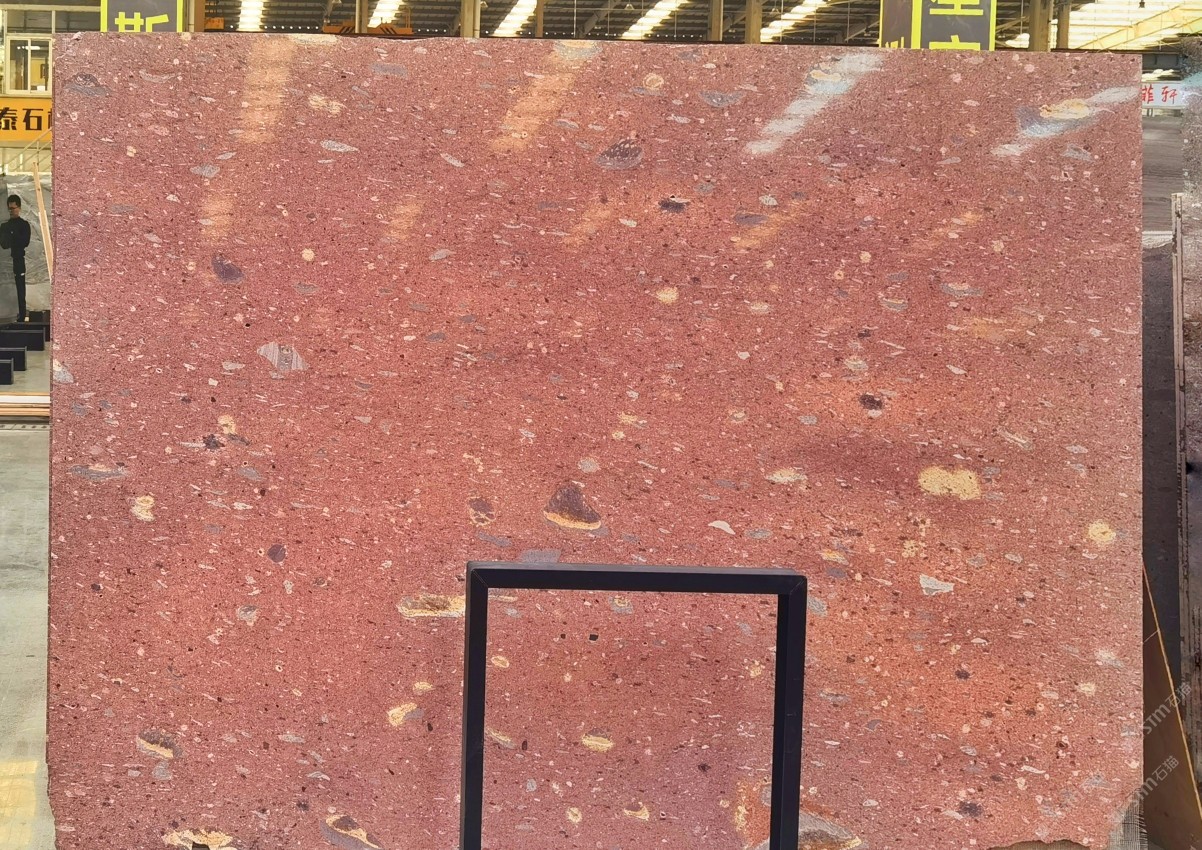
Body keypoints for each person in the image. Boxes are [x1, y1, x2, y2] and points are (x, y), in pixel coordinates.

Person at [0, 194, 31, 322]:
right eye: (9, 209)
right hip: (11, 260)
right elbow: (4, 244)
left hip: (19, 260)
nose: (11, 211)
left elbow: (24, 242)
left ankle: (22, 315)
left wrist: (12, 235)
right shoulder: (5, 226)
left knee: (20, 288)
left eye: (13, 208)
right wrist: (13, 237)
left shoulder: (24, 225)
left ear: (19, 208)